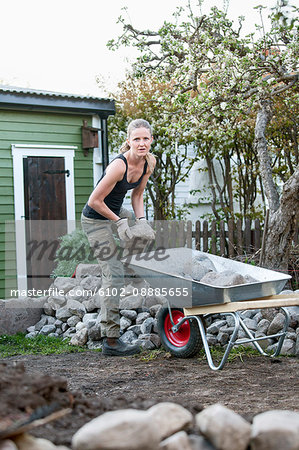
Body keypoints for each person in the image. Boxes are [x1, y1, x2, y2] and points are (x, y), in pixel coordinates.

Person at [81, 119, 156, 356]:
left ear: (151, 140)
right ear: (129, 141)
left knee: (145, 237)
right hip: (96, 219)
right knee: (113, 273)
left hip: (116, 213)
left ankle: (133, 270)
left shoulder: (149, 163)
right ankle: (110, 340)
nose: (141, 143)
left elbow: (137, 196)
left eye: (145, 138)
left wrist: (141, 221)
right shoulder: (118, 166)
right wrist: (120, 222)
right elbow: (94, 201)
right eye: (136, 139)